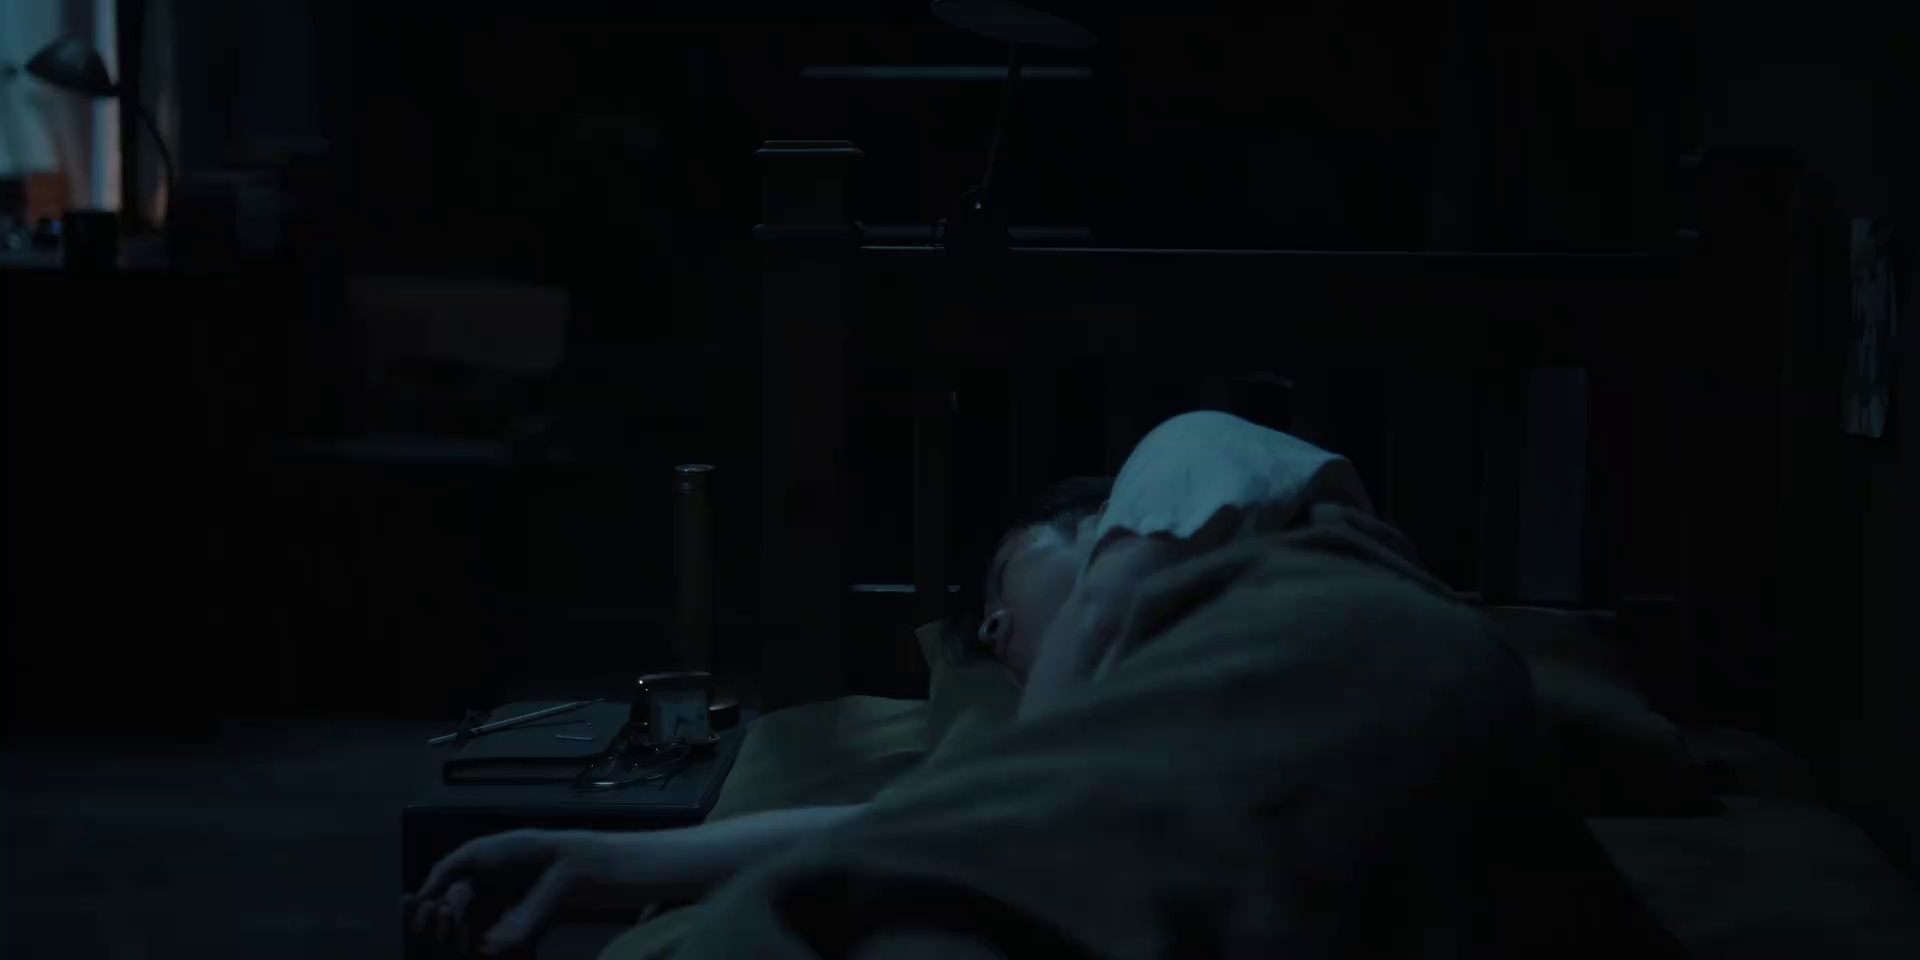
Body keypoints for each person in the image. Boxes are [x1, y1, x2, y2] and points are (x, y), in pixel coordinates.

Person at [408, 411, 1678, 959]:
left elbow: (985, 812)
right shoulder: (1134, 739)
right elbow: (951, 817)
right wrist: (598, 856)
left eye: (1006, 588)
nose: (995, 628)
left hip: (1356, 655)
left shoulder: (1189, 463)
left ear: (1100, 527)